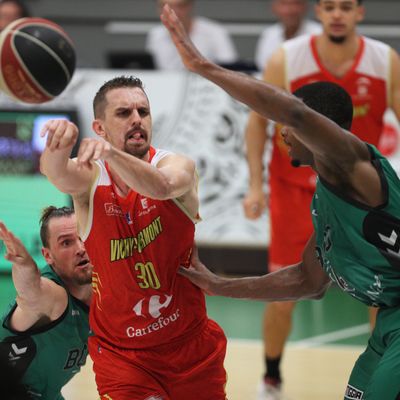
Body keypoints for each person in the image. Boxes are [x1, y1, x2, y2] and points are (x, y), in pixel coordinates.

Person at [161, 4, 400, 399]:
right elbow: (306, 280)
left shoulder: (352, 164)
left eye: (287, 127)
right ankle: (271, 377)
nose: (282, 133)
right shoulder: (326, 197)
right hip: (391, 323)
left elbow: (292, 111)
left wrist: (203, 67)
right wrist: (219, 285)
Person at [242, 0, 400, 397]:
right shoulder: (288, 59)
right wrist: (255, 184)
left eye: (345, 7)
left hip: (354, 193)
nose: (336, 15)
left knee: (378, 291)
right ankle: (271, 378)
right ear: (320, 12)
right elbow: (258, 123)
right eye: (329, 6)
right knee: (285, 295)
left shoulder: (384, 61)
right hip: (294, 191)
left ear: (359, 13)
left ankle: (381, 364)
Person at [39, 76, 227, 400]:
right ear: (99, 128)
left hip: (189, 346)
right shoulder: (90, 180)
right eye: (124, 113)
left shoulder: (175, 164)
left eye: (143, 111)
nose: (137, 119)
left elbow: (163, 187)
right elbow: (57, 173)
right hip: (122, 355)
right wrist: (58, 146)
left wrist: (112, 154)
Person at [0, 206, 92, 400]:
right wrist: (23, 265)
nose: (81, 249)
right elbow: (32, 292)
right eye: (66, 243)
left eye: (82, 236)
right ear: (48, 256)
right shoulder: (53, 296)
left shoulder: (105, 287)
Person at [146, 0, 238, 70]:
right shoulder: (155, 34)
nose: (173, 12)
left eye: (180, 6)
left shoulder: (215, 32)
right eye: (166, 7)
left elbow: (229, 68)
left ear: (190, 6)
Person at [255, 0, 320, 71]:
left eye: (296, 3)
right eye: (284, 4)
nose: (290, 10)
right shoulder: (268, 34)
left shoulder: (319, 34)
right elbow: (263, 67)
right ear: (274, 8)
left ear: (305, 7)